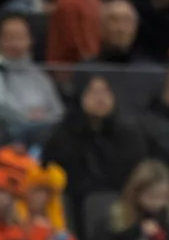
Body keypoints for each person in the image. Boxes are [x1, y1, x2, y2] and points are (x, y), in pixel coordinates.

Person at [43, 72, 150, 209]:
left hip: (121, 203)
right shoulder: (62, 137)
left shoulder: (129, 136)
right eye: (93, 92)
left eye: (105, 92)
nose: (100, 99)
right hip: (76, 205)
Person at [0, 12, 65, 148]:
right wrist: (27, 117)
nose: (16, 44)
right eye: (10, 37)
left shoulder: (40, 76)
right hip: (7, 137)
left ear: (30, 41)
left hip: (45, 135)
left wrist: (43, 118)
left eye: (21, 37)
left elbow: (58, 112)